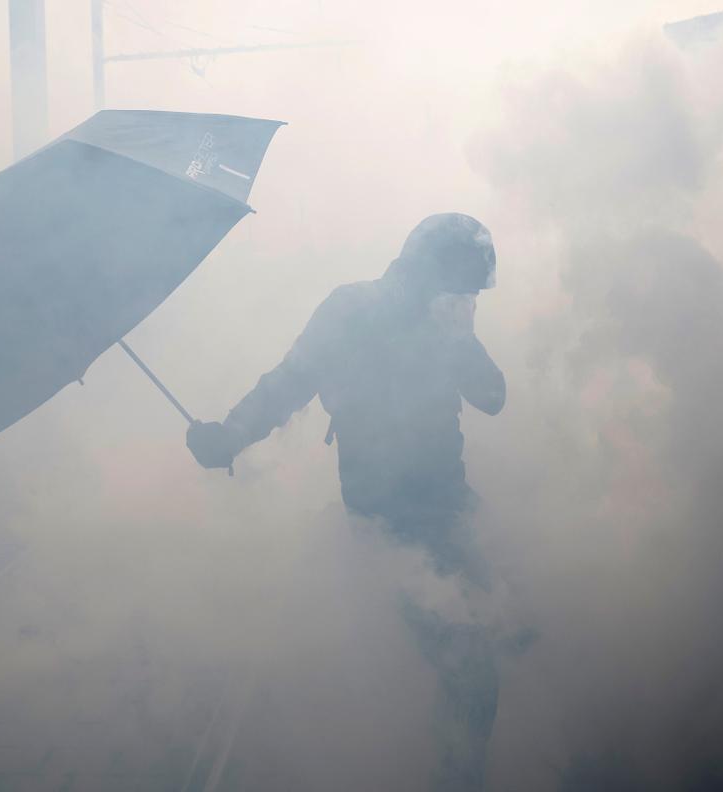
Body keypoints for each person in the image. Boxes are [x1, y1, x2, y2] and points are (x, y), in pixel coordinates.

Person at [187, 213, 505, 790]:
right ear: (426, 278)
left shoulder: (449, 327)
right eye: (461, 293)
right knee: (471, 670)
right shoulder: (350, 312)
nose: (469, 305)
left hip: (450, 504)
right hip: (390, 520)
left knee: (508, 623)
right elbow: (289, 382)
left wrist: (459, 339)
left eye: (471, 298)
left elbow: (493, 397)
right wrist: (229, 435)